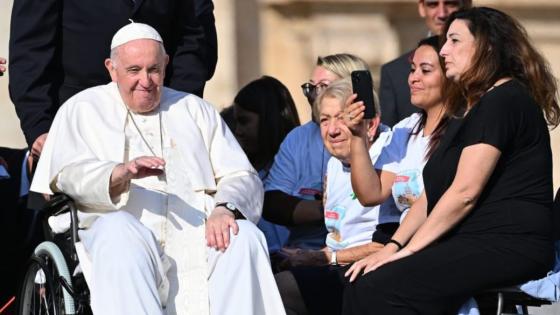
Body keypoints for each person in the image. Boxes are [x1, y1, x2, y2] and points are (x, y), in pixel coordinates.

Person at [30, 23, 284, 315]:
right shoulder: (82, 109)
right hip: (116, 235)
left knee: (244, 237)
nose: (146, 81)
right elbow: (62, 178)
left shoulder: (196, 110)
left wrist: (225, 208)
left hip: (195, 238)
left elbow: (241, 175)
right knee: (119, 231)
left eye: (153, 69)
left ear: (165, 65)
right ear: (112, 69)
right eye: (134, 70)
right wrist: (119, 173)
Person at [343, 7, 560, 314]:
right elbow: (431, 196)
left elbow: (464, 194)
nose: (444, 50)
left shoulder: (505, 100)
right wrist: (395, 247)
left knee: (379, 287)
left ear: (486, 47)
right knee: (364, 280)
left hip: (508, 244)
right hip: (471, 240)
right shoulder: (468, 111)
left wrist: (410, 252)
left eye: (455, 41)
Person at [9, 0, 216, 161]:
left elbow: (195, 42)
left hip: (163, 124)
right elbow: (30, 51)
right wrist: (40, 128)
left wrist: (177, 111)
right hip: (74, 129)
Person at [275, 79, 400, 315]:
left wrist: (322, 258)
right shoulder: (334, 163)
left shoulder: (390, 155)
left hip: (374, 271)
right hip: (337, 266)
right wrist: (305, 256)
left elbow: (389, 244)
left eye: (342, 118)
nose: (332, 130)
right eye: (324, 120)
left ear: (370, 125)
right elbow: (339, 235)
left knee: (282, 288)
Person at [262, 54, 368, 250]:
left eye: (324, 87)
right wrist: (325, 210)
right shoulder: (298, 138)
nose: (314, 96)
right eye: (311, 88)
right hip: (302, 247)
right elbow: (271, 202)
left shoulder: (376, 135)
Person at [346, 35, 447, 226]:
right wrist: (357, 136)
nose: (413, 78)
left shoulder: (465, 127)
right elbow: (370, 195)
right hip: (398, 240)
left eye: (425, 70)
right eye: (412, 69)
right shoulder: (404, 128)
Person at [231, 75, 301, 253]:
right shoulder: (241, 171)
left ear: (269, 119)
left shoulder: (300, 167)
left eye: (244, 121)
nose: (237, 131)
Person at [379, 0, 471, 127]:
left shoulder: (483, 65)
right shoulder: (394, 72)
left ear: (467, 5)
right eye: (433, 4)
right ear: (422, 8)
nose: (442, 14)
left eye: (451, 4)